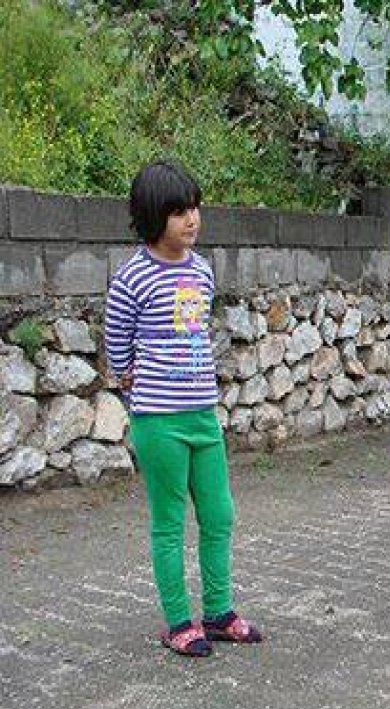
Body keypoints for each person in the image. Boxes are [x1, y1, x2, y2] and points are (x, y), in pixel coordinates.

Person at [104, 161, 263, 657]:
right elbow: (117, 342)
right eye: (178, 212)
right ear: (154, 217)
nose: (191, 220)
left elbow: (196, 332)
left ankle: (218, 613)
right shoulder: (132, 278)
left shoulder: (201, 270)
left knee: (219, 514)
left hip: (202, 414)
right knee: (169, 521)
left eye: (194, 208)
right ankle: (178, 621)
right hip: (159, 421)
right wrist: (140, 390)